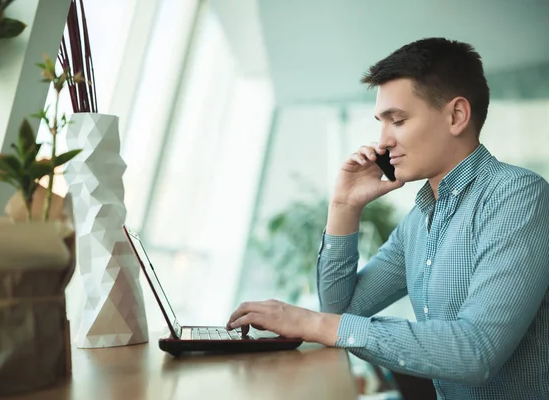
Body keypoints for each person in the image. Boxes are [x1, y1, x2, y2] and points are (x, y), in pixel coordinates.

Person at [226, 37, 549, 400]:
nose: (382, 143)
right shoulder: (420, 220)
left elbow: (475, 351)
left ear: (456, 115)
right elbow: (340, 310)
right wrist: (344, 206)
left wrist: (311, 323)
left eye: (397, 121)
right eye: (381, 123)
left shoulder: (518, 197)